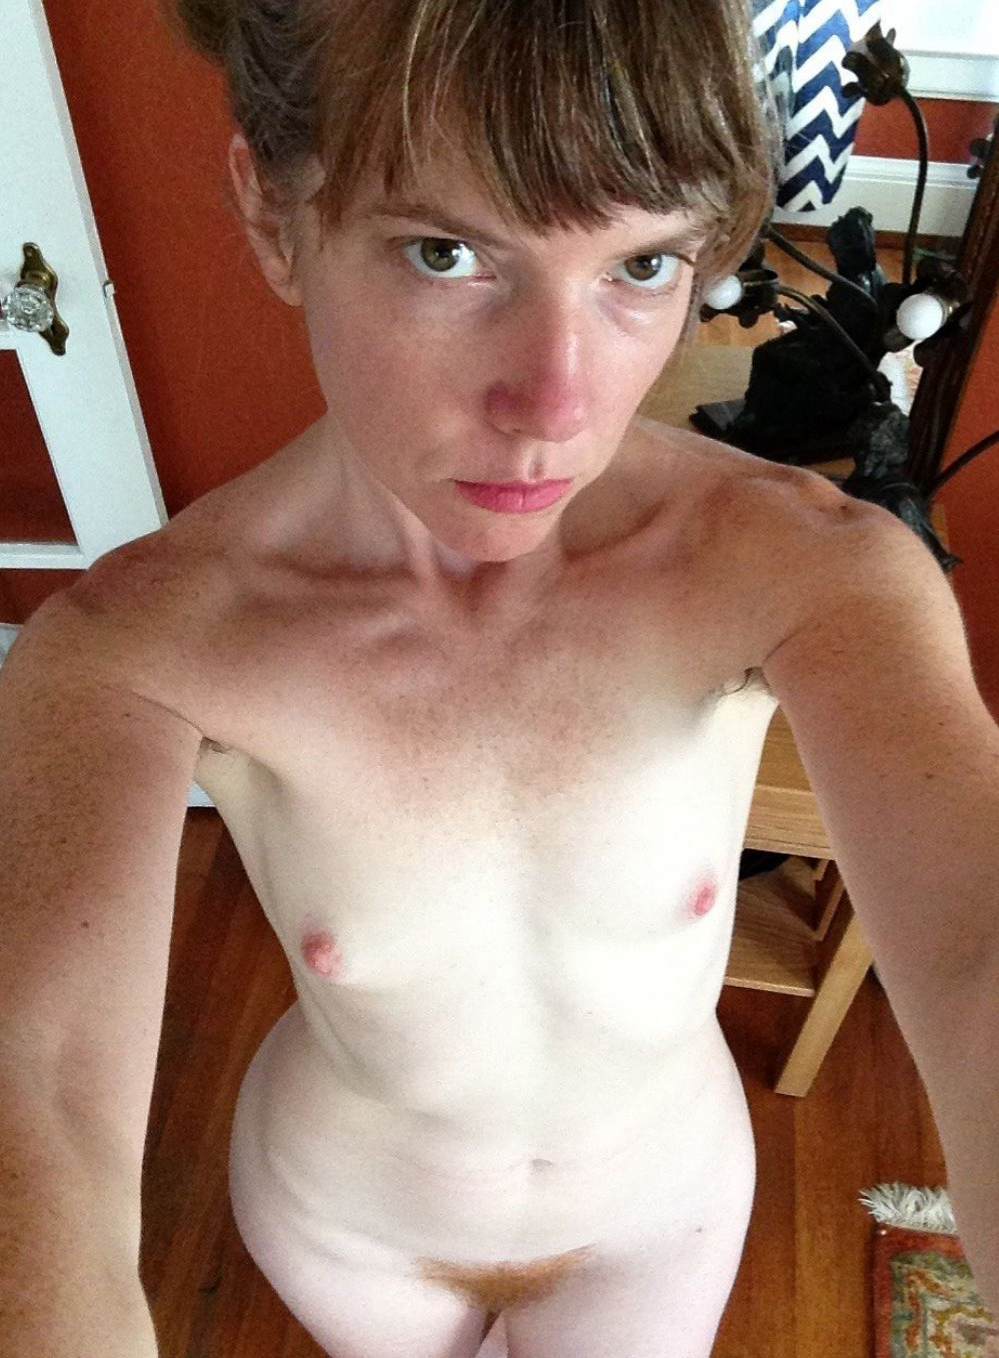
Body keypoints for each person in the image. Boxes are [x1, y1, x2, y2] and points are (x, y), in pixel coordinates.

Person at [2, 1, 998, 1356]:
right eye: (447, 252)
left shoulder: (808, 570)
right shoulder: (133, 651)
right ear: (273, 211)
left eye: (642, 265)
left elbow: (979, 949)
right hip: (346, 1225)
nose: (557, 406)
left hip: (662, 1212)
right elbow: (39, 1109)